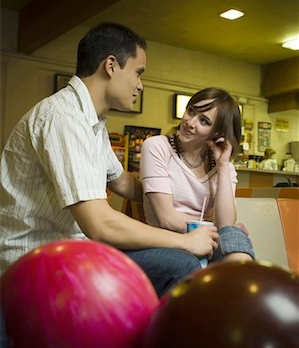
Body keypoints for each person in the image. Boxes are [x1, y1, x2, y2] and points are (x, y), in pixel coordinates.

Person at [0, 23, 219, 300]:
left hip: (73, 249)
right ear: (111, 65)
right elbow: (100, 224)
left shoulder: (92, 122)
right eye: (138, 73)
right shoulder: (63, 117)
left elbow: (124, 183)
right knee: (180, 263)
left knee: (184, 256)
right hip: (34, 261)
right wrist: (185, 241)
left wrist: (177, 196)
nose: (140, 85)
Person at [140, 87, 255, 264]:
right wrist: (214, 229)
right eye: (191, 111)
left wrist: (223, 165)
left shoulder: (225, 167)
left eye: (204, 121)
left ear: (217, 133)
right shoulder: (157, 147)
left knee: (234, 236)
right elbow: (167, 219)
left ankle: (246, 287)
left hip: (209, 243)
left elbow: (226, 223)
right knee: (232, 235)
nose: (190, 122)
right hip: (168, 243)